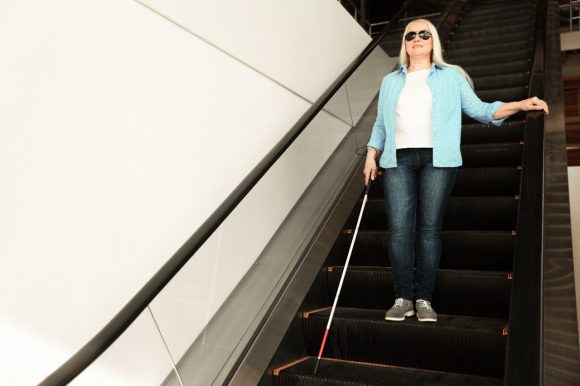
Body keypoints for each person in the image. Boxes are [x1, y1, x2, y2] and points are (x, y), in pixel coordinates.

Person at [364, 18, 549, 323]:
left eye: (424, 33)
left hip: (439, 160)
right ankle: (402, 297)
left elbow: (481, 110)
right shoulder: (390, 81)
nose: (417, 38)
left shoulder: (451, 77)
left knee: (428, 229)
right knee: (398, 230)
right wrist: (372, 154)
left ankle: (423, 298)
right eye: (411, 35)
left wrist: (520, 103)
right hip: (398, 161)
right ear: (405, 43)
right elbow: (381, 124)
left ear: (434, 40)